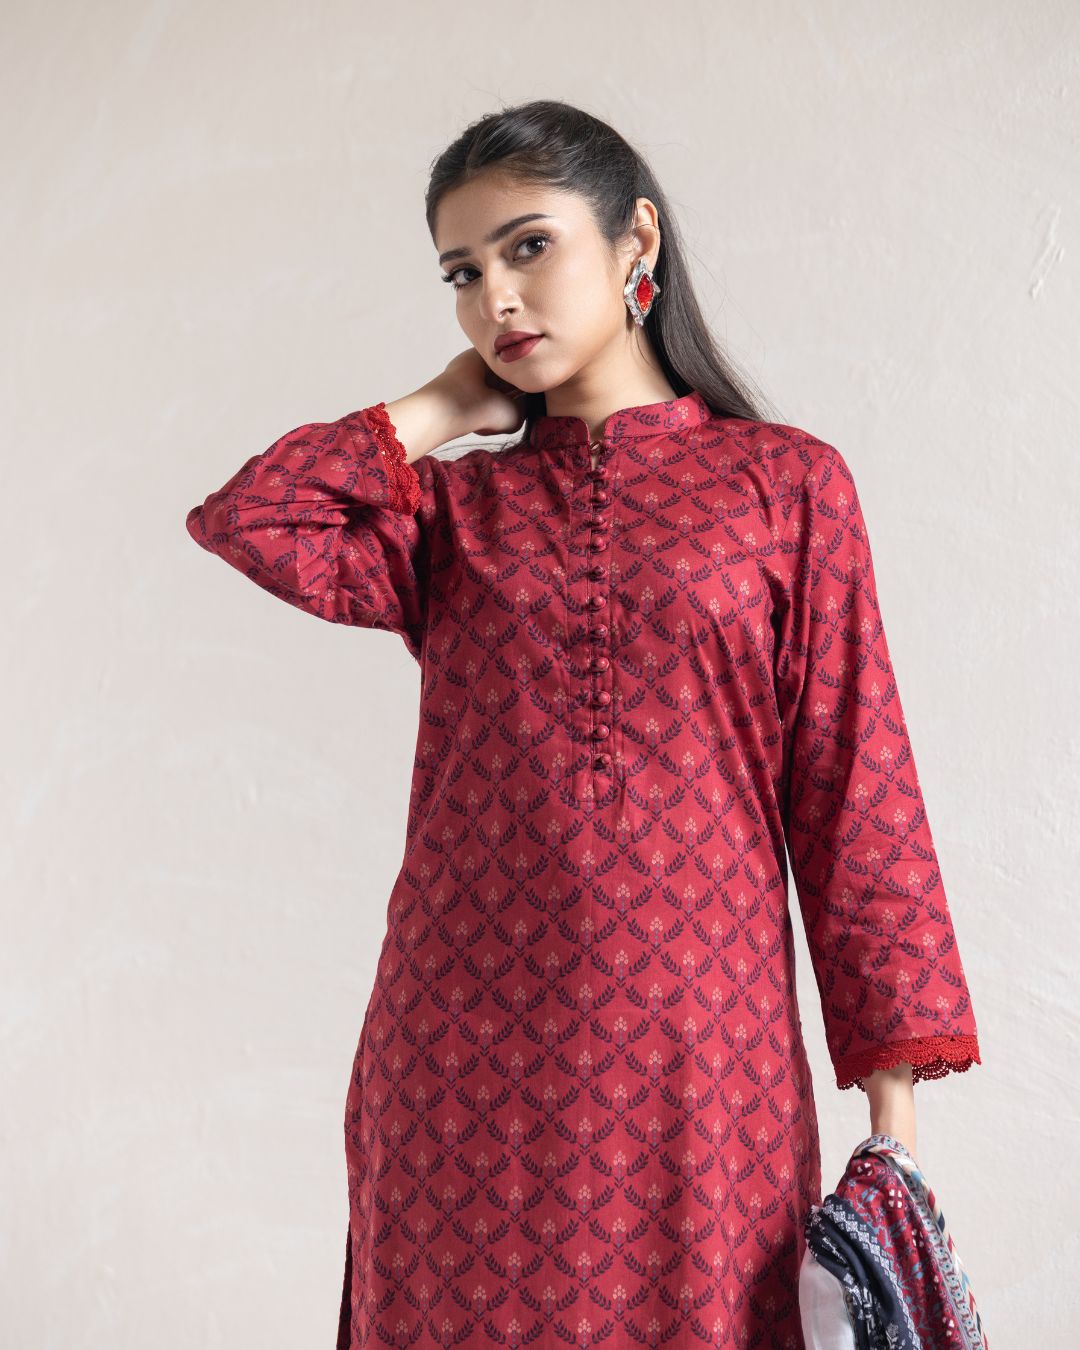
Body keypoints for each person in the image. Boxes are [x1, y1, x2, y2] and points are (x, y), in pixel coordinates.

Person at [185, 99, 981, 1350]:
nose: (496, 299)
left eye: (528, 247)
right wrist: (443, 406)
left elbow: (854, 785)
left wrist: (895, 1131)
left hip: (697, 1068)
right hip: (455, 1065)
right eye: (462, 273)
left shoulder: (786, 486)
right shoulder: (454, 518)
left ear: (634, 242)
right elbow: (251, 519)